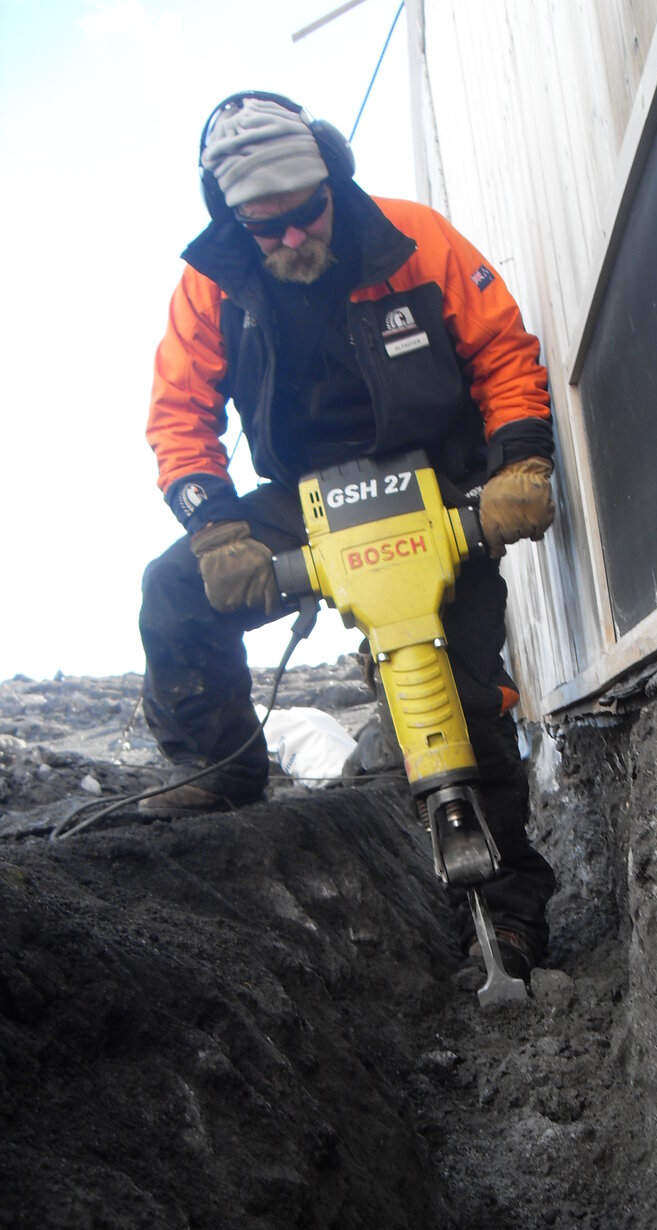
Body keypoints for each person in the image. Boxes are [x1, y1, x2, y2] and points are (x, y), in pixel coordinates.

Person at [139, 91, 557, 980]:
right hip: (304, 496)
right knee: (175, 593)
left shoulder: (413, 241)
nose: (291, 239)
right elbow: (180, 414)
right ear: (232, 218)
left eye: (305, 215)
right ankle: (223, 763)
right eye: (265, 226)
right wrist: (216, 532)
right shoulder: (213, 284)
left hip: (437, 480)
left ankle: (511, 917)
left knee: (473, 698)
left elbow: (502, 352)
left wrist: (518, 465)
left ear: (331, 179)